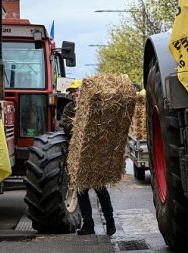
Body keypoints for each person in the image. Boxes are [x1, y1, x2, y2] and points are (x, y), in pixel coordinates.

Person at [61, 80, 117, 236]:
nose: (74, 94)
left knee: (100, 188)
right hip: (77, 154)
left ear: (83, 92)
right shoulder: (69, 108)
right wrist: (79, 126)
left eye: (76, 91)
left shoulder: (93, 106)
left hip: (94, 153)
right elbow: (65, 125)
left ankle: (110, 222)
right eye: (71, 92)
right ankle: (88, 225)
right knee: (81, 190)